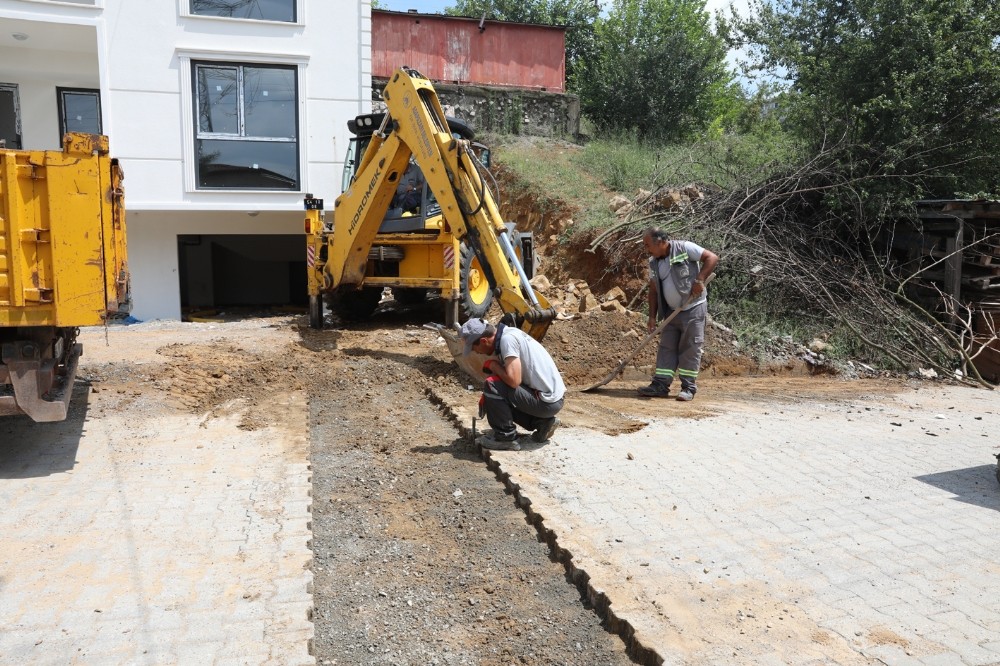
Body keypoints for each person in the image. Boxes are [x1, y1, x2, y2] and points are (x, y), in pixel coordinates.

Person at [460, 317, 565, 451]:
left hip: (547, 402)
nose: (475, 352)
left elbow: (514, 381)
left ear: (483, 341)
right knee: (496, 391)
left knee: (492, 384)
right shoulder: (509, 333)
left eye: (474, 348)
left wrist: (493, 366)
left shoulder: (507, 341)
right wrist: (491, 400)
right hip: (551, 398)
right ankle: (543, 423)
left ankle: (505, 438)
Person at [639, 227, 719, 401]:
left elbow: (712, 258)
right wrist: (652, 317)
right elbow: (653, 290)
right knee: (666, 348)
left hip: (693, 307)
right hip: (670, 312)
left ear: (660, 242)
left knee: (690, 347)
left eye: (647, 245)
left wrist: (700, 280)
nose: (646, 249)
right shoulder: (654, 261)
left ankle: (688, 388)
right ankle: (660, 385)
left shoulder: (684, 248)